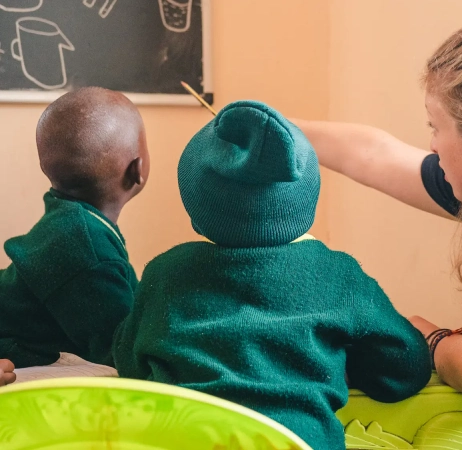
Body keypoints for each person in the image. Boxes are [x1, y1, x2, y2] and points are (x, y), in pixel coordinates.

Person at [113, 100, 431, 450]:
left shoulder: (165, 274)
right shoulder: (339, 276)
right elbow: (406, 368)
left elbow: (128, 360)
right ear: (305, 202)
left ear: (197, 209)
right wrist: (345, 362)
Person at [293, 21, 462, 403]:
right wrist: (276, 124)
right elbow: (374, 155)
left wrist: (432, 339)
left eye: (435, 126)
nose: (432, 146)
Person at [0, 87, 149, 369]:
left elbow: (132, 299)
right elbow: (124, 351)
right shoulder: (85, 248)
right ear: (137, 169)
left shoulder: (73, 221)